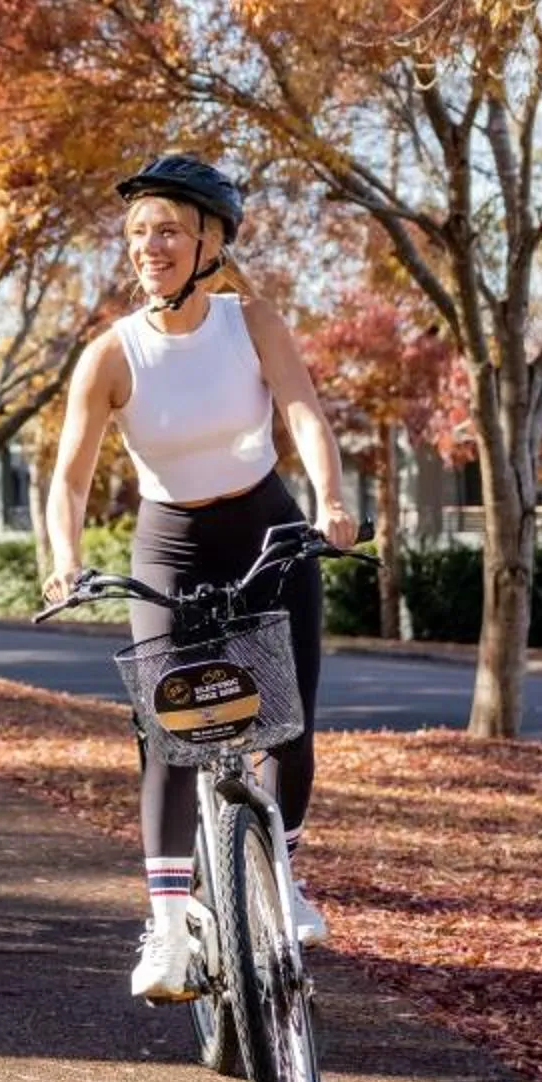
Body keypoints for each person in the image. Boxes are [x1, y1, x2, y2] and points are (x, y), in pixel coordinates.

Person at [43, 155, 358, 1004]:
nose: (152, 245)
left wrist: (331, 498)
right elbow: (70, 478)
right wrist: (63, 558)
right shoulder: (112, 353)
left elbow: (302, 412)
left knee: (287, 725)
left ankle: (281, 879)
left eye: (170, 230)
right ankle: (171, 929)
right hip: (170, 544)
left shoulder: (251, 321)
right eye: (140, 231)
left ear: (210, 240)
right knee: (170, 731)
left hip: (268, 528)